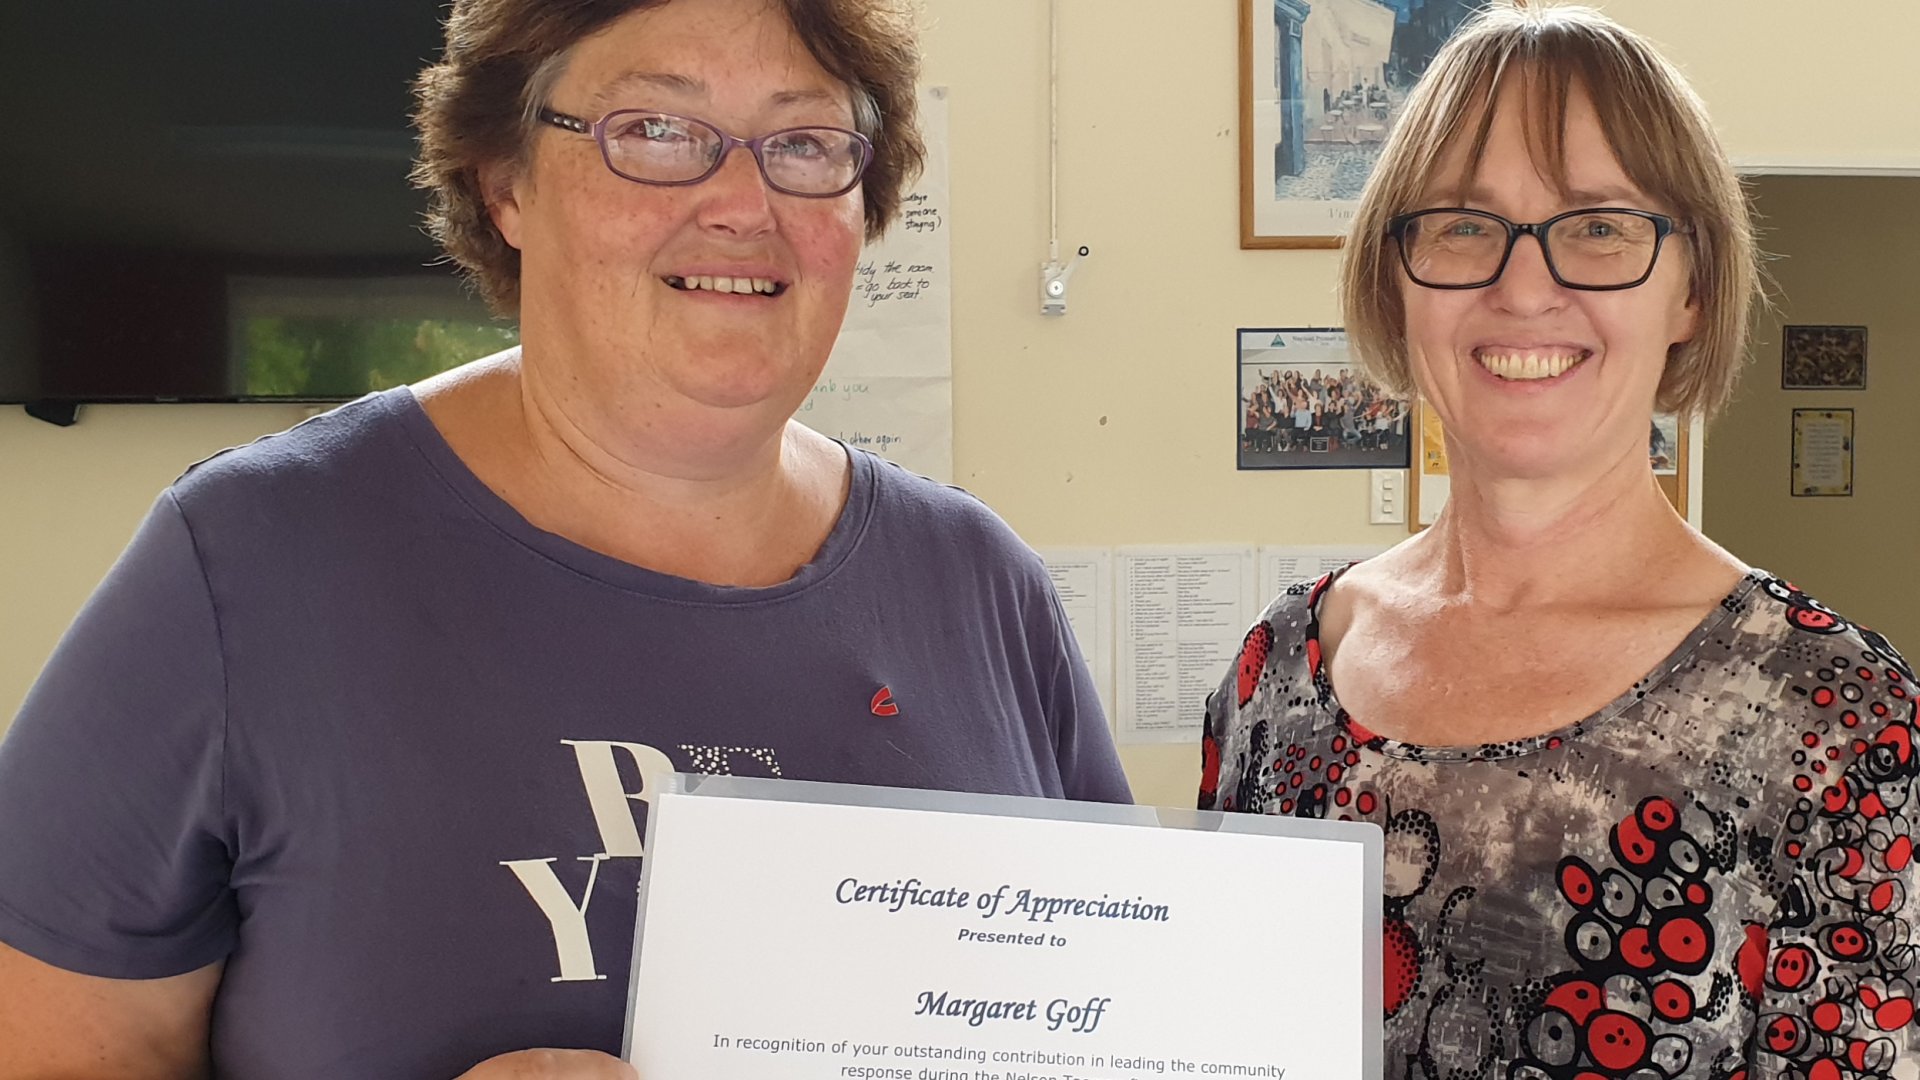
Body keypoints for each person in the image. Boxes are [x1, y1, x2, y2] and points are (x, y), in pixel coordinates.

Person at [0, 0, 1129, 1077]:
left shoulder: (980, 584)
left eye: (805, 142)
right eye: (655, 129)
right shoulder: (245, 566)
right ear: (506, 184)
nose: (744, 201)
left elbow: (1128, 1014)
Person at [1201, 6, 1918, 1078]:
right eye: (1461, 225)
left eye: (1599, 227)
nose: (1525, 287)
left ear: (1693, 287)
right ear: (1396, 282)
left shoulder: (1839, 718)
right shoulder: (1281, 673)